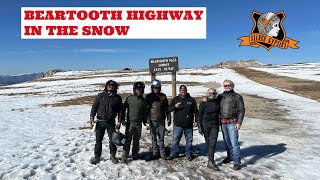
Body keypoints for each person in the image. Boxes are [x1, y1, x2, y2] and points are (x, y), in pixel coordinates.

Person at [89, 80, 123, 164]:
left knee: (112, 140)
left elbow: (121, 111)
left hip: (111, 122)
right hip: (100, 122)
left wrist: (119, 121)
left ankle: (112, 156)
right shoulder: (100, 96)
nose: (110, 86)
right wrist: (91, 117)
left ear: (115, 87)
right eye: (109, 85)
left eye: (112, 85)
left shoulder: (117, 98)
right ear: (106, 86)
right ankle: (97, 157)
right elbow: (94, 107)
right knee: (98, 141)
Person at [218, 79, 245, 170]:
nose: (227, 87)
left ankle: (237, 162)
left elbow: (241, 110)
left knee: (234, 143)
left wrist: (239, 122)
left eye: (229, 85)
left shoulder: (237, 97)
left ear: (232, 86)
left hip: (232, 122)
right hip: (223, 122)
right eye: (225, 85)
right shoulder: (220, 96)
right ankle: (230, 156)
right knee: (227, 142)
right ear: (223, 87)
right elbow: (214, 105)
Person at [167, 85, 198, 161]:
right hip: (178, 124)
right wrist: (175, 106)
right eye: (181, 90)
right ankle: (174, 153)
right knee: (175, 139)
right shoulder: (175, 99)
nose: (183, 91)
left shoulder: (191, 100)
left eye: (184, 90)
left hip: (188, 124)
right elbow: (169, 109)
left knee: (189, 140)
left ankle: (188, 153)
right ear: (179, 91)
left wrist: (196, 121)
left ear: (186, 91)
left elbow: (196, 112)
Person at [121, 81, 149, 163]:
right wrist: (122, 119)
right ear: (134, 90)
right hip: (129, 123)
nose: (139, 91)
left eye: (141, 89)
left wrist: (147, 122)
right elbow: (123, 109)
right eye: (137, 89)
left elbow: (145, 113)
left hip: (138, 123)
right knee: (127, 140)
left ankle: (135, 155)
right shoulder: (130, 98)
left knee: (136, 140)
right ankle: (124, 156)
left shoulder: (143, 101)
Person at [146, 79, 171, 160]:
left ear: (160, 88)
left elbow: (167, 108)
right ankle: (155, 152)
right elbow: (146, 109)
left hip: (161, 120)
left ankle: (162, 152)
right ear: (152, 88)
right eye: (154, 87)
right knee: (153, 137)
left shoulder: (163, 96)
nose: (156, 89)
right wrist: (147, 121)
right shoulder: (148, 96)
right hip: (152, 120)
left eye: (157, 87)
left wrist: (169, 117)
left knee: (161, 137)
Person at [198, 88, 220, 170]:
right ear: (207, 94)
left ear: (215, 94)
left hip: (215, 125)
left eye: (213, 93)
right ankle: (210, 156)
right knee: (207, 140)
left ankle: (211, 161)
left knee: (213, 142)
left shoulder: (218, 102)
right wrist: (199, 126)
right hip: (205, 124)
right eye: (210, 93)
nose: (211, 94)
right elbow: (199, 114)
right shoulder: (204, 103)